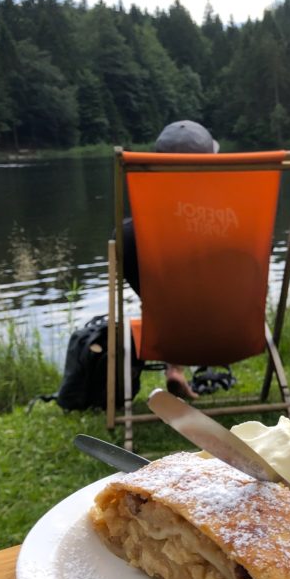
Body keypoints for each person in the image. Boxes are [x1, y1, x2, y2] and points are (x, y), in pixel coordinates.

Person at [119, 120, 219, 400]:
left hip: (167, 329)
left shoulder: (132, 234)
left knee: (164, 302)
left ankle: (173, 365)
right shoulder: (237, 223)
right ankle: (176, 366)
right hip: (234, 335)